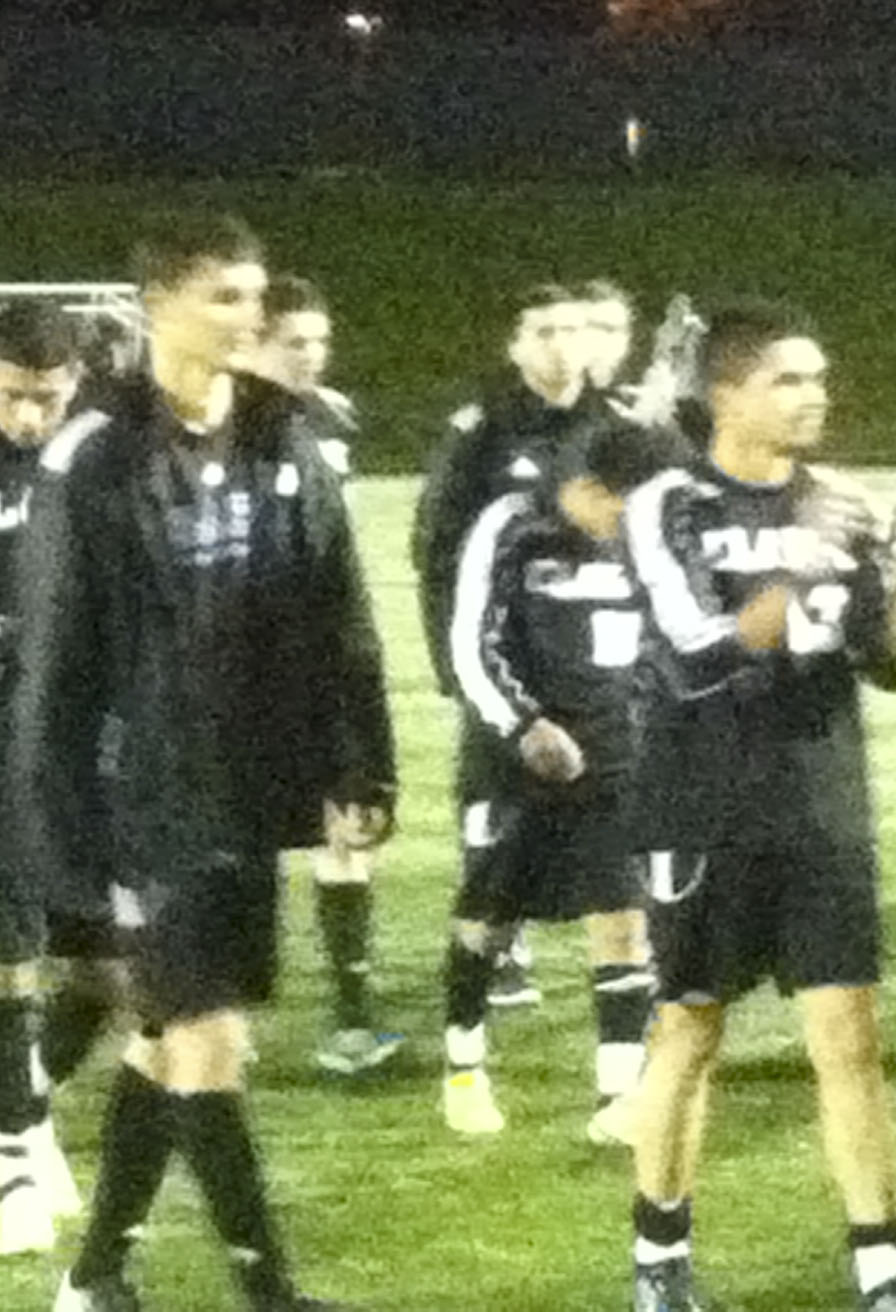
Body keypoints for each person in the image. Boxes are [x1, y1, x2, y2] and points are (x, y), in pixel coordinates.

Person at [18, 212, 393, 1312]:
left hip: (246, 787)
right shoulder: (92, 457)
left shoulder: (288, 439)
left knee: (168, 1041)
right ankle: (269, 1290)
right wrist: (64, 844)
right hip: (142, 799)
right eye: (222, 295)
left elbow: (341, 617)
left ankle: (92, 1280)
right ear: (155, 309)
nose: (247, 316)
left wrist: (359, 764)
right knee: (211, 1041)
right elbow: (58, 662)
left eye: (254, 295)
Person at [622, 300, 896, 1312]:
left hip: (818, 797)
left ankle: (882, 1265)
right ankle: (660, 1264)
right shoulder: (670, 503)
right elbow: (693, 652)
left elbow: (886, 663)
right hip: (701, 801)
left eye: (819, 377)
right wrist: (792, 558)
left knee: (847, 1032)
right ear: (727, 394)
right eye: (787, 380)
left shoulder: (836, 501)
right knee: (688, 1026)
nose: (815, 397)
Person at [438, 423, 663, 1142]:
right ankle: (465, 1067)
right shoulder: (511, 525)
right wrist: (525, 725)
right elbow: (472, 641)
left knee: (624, 921)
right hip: (515, 754)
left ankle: (618, 1099)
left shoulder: (652, 529)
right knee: (491, 919)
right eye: (623, 510)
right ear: (588, 491)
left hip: (616, 753)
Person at [413, 284, 622, 1010]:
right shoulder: (484, 432)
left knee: (614, 810)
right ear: (516, 346)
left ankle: (626, 960)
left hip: (596, 657)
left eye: (574, 329)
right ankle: (504, 947)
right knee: (499, 805)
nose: (564, 344)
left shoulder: (617, 426)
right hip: (506, 653)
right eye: (544, 331)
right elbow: (437, 549)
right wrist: (455, 666)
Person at [241, 275, 405, 1076]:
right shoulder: (222, 424)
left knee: (345, 828)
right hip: (244, 669)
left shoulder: (333, 417)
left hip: (319, 663)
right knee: (238, 848)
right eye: (293, 342)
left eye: (318, 340)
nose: (310, 355)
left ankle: (349, 1017)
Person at [0, 299, 87, 1257]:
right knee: (10, 948)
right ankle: (16, 1147)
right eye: (16, 398)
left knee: (105, 964)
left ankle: (29, 1116)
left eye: (48, 399)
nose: (31, 418)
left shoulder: (82, 466)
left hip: (68, 738)